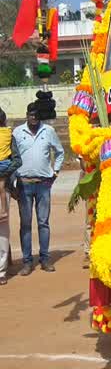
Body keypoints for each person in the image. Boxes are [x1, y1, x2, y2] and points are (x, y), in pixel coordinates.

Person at [13, 103, 64, 275]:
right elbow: (11, 156)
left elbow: (60, 152)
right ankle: (27, 262)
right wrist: (13, 180)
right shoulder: (17, 132)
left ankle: (45, 259)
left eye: (36, 115)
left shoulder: (48, 131)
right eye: (31, 114)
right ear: (26, 115)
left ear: (40, 116)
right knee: (26, 224)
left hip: (44, 184)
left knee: (43, 223)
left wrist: (55, 172)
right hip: (24, 184)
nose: (33, 117)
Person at [0, 108, 22, 285]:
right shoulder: (8, 135)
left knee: (2, 227)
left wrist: (3, 176)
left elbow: (17, 160)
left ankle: (1, 271)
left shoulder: (9, 139)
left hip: (3, 186)